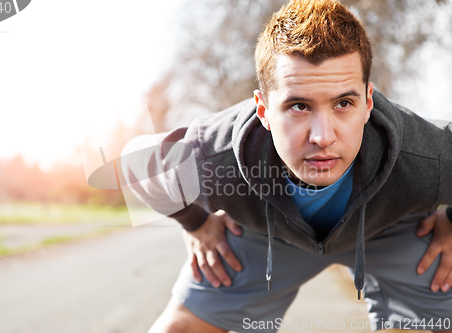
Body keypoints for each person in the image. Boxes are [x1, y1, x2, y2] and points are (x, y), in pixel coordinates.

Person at [121, 0, 452, 332]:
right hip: (265, 235)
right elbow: (135, 162)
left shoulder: (426, 155)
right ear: (263, 110)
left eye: (343, 103)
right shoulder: (210, 157)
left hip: (388, 232)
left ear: (368, 103)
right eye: (298, 106)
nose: (323, 137)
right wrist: (194, 223)